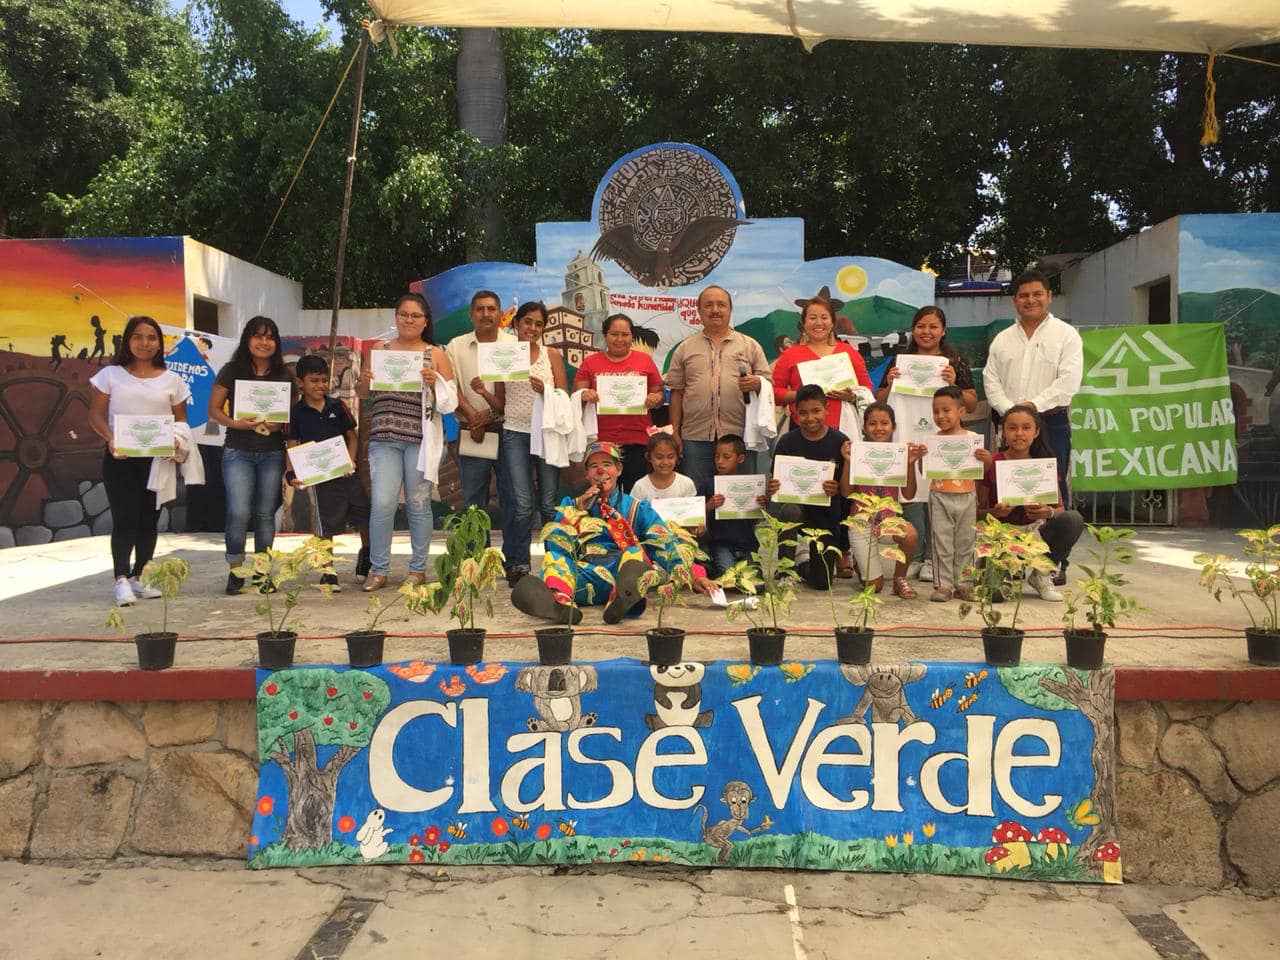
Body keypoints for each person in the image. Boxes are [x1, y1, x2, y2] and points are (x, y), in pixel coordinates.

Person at [511, 441, 689, 625]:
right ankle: (561, 605)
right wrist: (577, 512)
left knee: (634, 555)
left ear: (618, 470)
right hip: (584, 580)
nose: (601, 472)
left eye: (607, 465)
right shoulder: (571, 506)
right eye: (594, 466)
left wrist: (691, 573)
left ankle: (619, 602)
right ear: (587, 474)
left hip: (618, 577)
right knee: (553, 559)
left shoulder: (636, 507)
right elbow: (558, 547)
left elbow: (663, 541)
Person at [356, 293, 456, 592]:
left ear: (426, 321)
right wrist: (365, 379)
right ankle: (379, 570)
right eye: (404, 314)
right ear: (396, 317)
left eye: (416, 316)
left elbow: (449, 400)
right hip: (384, 438)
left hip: (422, 441)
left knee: (418, 504)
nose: (409, 320)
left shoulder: (436, 353)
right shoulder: (379, 349)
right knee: (383, 504)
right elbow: (363, 394)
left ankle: (417, 569)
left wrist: (433, 382)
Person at [88, 316, 191, 606]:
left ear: (159, 343)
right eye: (138, 337)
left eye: (151, 337)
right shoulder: (110, 375)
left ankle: (141, 577)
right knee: (125, 518)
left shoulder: (173, 380)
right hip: (120, 459)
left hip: (157, 461)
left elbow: (181, 421)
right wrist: (110, 438)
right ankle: (120, 579)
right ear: (127, 341)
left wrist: (176, 441)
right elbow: (95, 415)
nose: (145, 343)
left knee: (149, 519)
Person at [876, 305, 978, 585]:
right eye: (921, 326)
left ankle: (934, 559)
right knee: (909, 494)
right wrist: (889, 383)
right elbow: (880, 400)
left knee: (938, 494)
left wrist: (955, 383)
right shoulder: (899, 360)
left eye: (933, 326)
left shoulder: (954, 362)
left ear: (943, 330)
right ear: (914, 330)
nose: (926, 332)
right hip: (908, 434)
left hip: (942, 439)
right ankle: (914, 557)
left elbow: (970, 402)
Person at [983, 270, 1083, 526]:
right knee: (1007, 488)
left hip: (1051, 422)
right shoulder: (1002, 339)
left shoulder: (1066, 335)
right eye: (1024, 295)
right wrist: (1011, 411)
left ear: (1049, 296)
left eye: (1037, 294)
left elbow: (1068, 381)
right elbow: (990, 379)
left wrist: (1032, 406)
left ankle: (1053, 561)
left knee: (1053, 488)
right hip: (1010, 423)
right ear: (1014, 300)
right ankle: (1007, 558)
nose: (1030, 300)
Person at [483, 300, 568, 588]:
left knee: (548, 504)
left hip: (547, 433)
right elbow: (500, 405)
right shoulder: (503, 355)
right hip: (514, 433)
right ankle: (518, 564)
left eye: (538, 324)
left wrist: (545, 389)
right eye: (527, 322)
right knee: (520, 504)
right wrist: (483, 391)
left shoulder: (551, 355)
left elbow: (563, 396)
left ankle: (556, 564)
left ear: (544, 328)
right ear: (516, 323)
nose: (532, 328)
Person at [207, 316, 291, 594]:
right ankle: (235, 571)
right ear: (247, 339)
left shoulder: (285, 375)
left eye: (270, 337)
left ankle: (263, 573)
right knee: (238, 512)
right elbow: (214, 410)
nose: (264, 342)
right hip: (238, 450)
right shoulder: (232, 370)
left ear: (276, 343)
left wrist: (283, 423)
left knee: (266, 514)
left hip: (272, 452)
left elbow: (292, 415)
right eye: (258, 336)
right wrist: (236, 423)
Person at [665, 285, 772, 489]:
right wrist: (675, 433)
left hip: (740, 437)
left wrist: (757, 383)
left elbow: (768, 384)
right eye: (708, 305)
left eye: (721, 304)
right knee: (698, 498)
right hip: (695, 438)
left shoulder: (749, 345)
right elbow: (677, 392)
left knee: (741, 501)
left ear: (730, 310)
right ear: (699, 311)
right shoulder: (685, 348)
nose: (715, 310)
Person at [975, 403, 1084, 601]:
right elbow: (977, 513)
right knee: (995, 595)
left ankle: (1041, 574)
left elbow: (1060, 509)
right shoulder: (994, 463)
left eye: (1026, 428)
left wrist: (1046, 513)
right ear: (1003, 432)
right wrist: (996, 512)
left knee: (1073, 519)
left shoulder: (1044, 463)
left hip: (1035, 533)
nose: (1019, 433)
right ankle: (1005, 573)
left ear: (1036, 432)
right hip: (1002, 536)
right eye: (1012, 428)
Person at [286, 354, 369, 590]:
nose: (320, 385)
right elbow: (292, 445)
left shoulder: (337, 406)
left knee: (363, 514)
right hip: (321, 479)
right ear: (300, 382)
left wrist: (350, 463)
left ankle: (367, 554)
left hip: (346, 474)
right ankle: (328, 572)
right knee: (325, 526)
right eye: (314, 380)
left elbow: (352, 437)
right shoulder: (297, 413)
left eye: (324, 380)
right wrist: (291, 474)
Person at [838, 402, 923, 599]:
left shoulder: (899, 454)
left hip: (887, 521)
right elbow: (845, 492)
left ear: (893, 426)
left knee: (910, 534)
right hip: (861, 522)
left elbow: (909, 495)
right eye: (872, 424)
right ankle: (861, 562)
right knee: (874, 587)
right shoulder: (857, 453)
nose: (878, 428)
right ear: (864, 427)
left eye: (884, 423)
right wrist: (848, 461)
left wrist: (910, 465)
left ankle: (899, 579)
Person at [768, 385, 849, 590]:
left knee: (822, 584)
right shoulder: (787, 442)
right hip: (797, 512)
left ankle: (802, 559)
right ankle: (786, 569)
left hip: (826, 517)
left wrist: (836, 487)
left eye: (816, 411)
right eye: (803, 413)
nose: (810, 418)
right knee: (789, 509)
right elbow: (774, 483)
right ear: (795, 413)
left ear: (826, 408)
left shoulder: (840, 442)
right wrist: (774, 486)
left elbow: (848, 489)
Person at [445, 290, 514, 528]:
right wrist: (474, 418)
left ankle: (514, 562)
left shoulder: (515, 345)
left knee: (512, 498)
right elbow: (450, 388)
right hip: (473, 432)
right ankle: (475, 561)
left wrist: (489, 416)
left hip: (509, 431)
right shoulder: (456, 346)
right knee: (474, 501)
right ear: (471, 315)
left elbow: (518, 391)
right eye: (480, 309)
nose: (486, 314)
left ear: (501, 314)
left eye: (491, 309)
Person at [573, 313, 665, 491]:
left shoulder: (644, 360)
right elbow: (577, 395)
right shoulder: (590, 362)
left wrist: (656, 398)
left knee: (635, 494)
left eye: (625, 334)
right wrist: (585, 394)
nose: (620, 339)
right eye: (614, 334)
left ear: (632, 336)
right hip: (601, 441)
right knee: (602, 494)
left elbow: (659, 395)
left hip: (637, 440)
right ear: (605, 335)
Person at [772, 287, 872, 429]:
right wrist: (801, 394)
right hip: (802, 429)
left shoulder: (848, 352)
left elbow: (866, 389)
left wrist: (851, 396)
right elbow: (775, 393)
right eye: (812, 318)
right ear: (804, 323)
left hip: (844, 430)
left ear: (832, 322)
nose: (819, 323)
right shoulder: (790, 355)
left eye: (824, 317)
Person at [927, 385, 982, 602]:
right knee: (942, 540)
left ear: (961, 411)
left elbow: (984, 468)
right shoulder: (933, 440)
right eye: (936, 411)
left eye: (946, 410)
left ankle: (965, 583)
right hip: (939, 495)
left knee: (966, 541)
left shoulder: (973, 437)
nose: (940, 416)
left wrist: (985, 458)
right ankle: (944, 585)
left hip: (968, 495)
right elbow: (925, 469)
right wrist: (921, 455)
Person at [697, 434, 766, 578]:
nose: (720, 461)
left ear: (740, 459)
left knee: (756, 584)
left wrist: (761, 505)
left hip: (748, 545)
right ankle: (711, 566)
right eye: (717, 457)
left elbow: (757, 519)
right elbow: (695, 514)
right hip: (722, 545)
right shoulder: (708, 484)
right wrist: (709, 506)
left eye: (726, 457)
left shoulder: (750, 486)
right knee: (727, 579)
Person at [629, 433, 698, 504]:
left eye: (670, 457)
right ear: (648, 457)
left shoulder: (686, 484)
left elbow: (692, 512)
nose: (665, 462)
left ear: (677, 457)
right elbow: (634, 513)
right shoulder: (640, 486)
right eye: (659, 457)